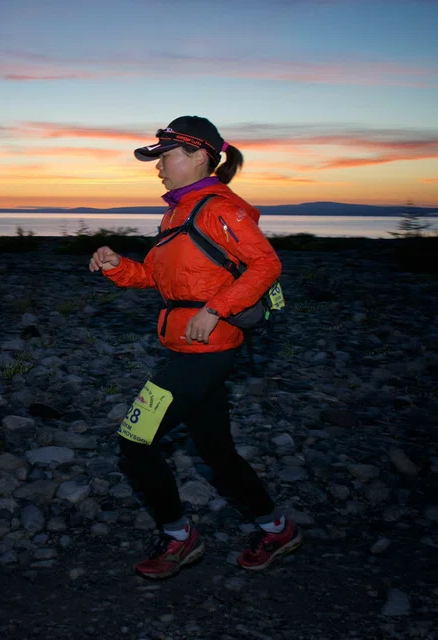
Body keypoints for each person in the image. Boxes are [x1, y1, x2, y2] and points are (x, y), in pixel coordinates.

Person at [88, 116, 301, 578]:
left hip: (207, 349)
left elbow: (266, 265)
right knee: (217, 452)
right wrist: (116, 265)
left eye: (165, 157)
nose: (158, 167)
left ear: (199, 155)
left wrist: (217, 309)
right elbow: (157, 279)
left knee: (135, 439)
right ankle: (277, 528)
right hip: (187, 347)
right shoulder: (177, 213)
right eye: (157, 159)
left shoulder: (220, 208)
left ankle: (180, 538)